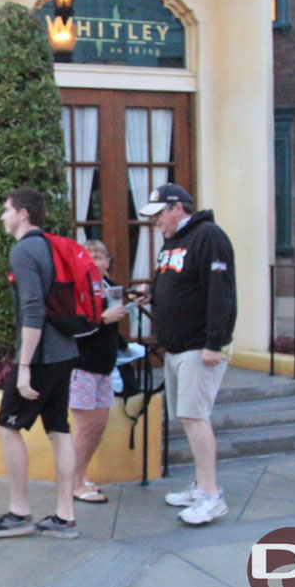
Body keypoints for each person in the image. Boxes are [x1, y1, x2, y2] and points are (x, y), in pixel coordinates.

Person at [0, 187, 80, 540]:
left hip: (40, 356)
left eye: (6, 210)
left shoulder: (24, 251)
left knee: (7, 427)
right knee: (58, 429)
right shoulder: (51, 244)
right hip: (65, 351)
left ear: (23, 214)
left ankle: (19, 512)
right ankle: (65, 517)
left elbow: (33, 309)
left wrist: (23, 366)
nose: (2, 216)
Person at [134, 183, 236, 525]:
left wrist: (213, 343)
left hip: (198, 346)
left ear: (178, 207)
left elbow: (220, 293)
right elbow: (179, 282)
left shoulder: (209, 236)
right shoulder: (173, 242)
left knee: (195, 417)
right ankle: (200, 486)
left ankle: (211, 495)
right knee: (187, 417)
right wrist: (152, 291)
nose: (156, 222)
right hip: (177, 347)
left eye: (160, 214)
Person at [69, 240, 128, 504]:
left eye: (100, 256)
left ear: (107, 261)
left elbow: (110, 330)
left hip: (105, 366)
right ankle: (73, 482)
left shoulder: (109, 288)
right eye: (89, 256)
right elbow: (72, 327)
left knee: (98, 425)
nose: (94, 261)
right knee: (83, 428)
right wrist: (103, 319)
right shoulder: (77, 288)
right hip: (82, 367)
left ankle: (81, 474)